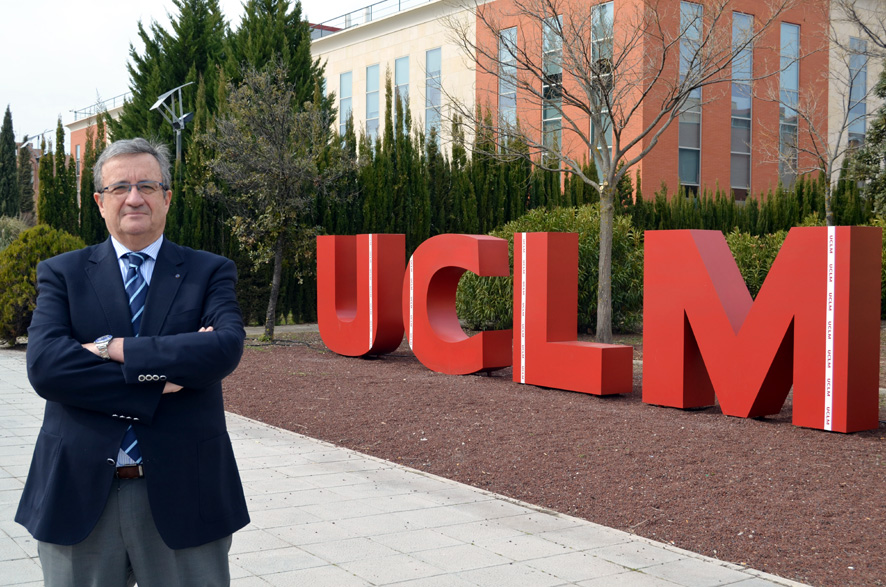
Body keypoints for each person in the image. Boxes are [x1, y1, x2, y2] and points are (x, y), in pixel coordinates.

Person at [16, 138, 249, 586]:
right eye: (120, 187)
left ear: (167, 197)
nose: (134, 197)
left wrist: (111, 348)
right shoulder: (62, 273)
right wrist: (161, 379)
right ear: (100, 202)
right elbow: (46, 367)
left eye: (147, 185)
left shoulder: (209, 271)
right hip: (78, 493)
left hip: (187, 491)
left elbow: (222, 349)